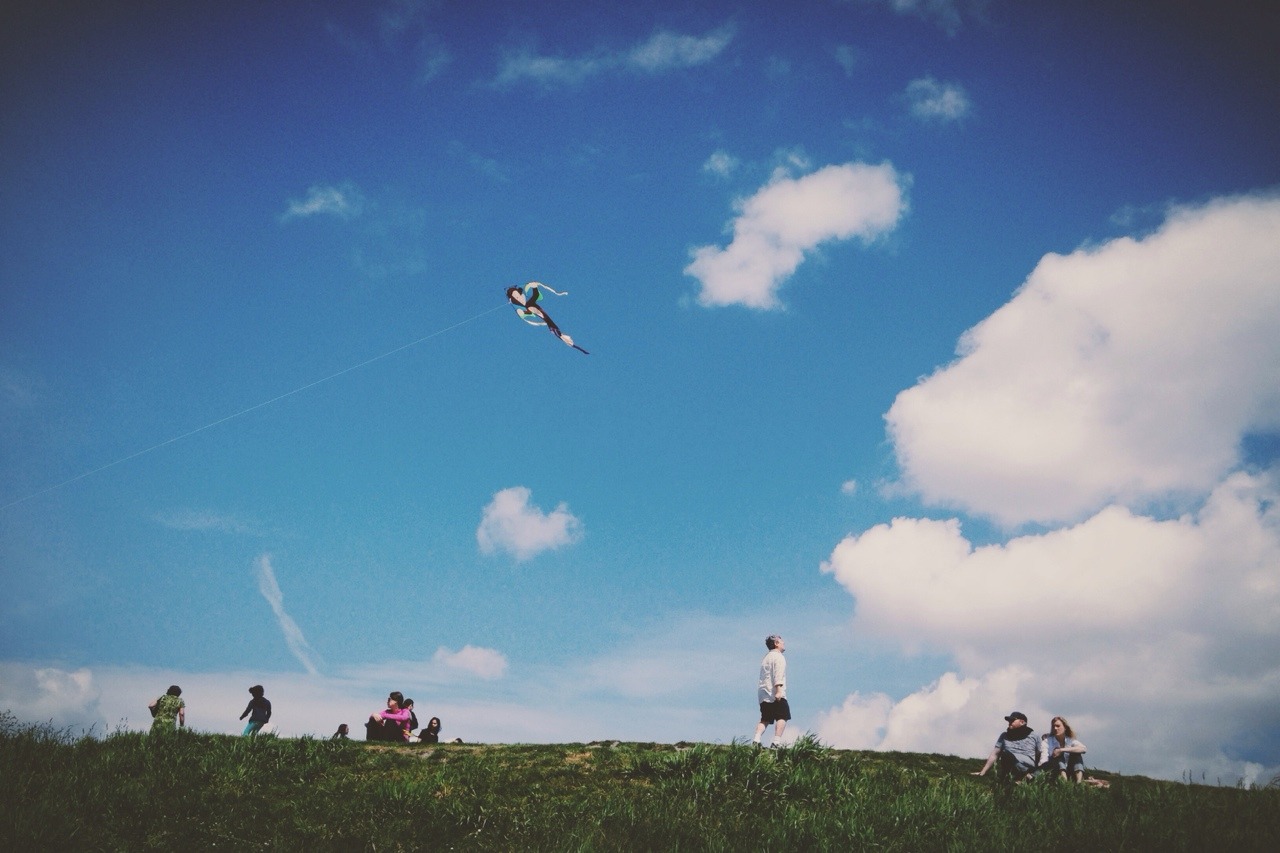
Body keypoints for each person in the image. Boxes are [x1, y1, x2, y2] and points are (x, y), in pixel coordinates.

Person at [973, 711, 1042, 781]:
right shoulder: (1004, 735)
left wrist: (1035, 767)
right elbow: (995, 754)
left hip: (1028, 767)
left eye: (1012, 720)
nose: (1009, 722)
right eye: (1009, 720)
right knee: (1006, 755)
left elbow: (1038, 754)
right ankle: (1023, 777)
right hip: (1010, 763)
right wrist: (983, 772)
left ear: (1022, 722)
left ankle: (1027, 776)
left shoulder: (1034, 736)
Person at [753, 634, 790, 748]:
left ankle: (756, 739)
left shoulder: (766, 658)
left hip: (763, 693)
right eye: (781, 641)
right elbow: (778, 673)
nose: (784, 642)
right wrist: (778, 690)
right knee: (782, 716)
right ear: (776, 643)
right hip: (774, 691)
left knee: (765, 719)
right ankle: (776, 742)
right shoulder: (778, 657)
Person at [1039, 716, 1087, 782]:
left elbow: (1083, 748)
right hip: (1054, 771)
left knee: (1076, 755)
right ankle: (1064, 783)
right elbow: (1043, 759)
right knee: (1057, 754)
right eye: (1053, 726)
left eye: (1058, 726)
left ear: (1065, 728)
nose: (1055, 728)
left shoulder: (1070, 740)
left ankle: (1079, 782)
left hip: (1070, 769)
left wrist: (1062, 750)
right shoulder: (1047, 741)